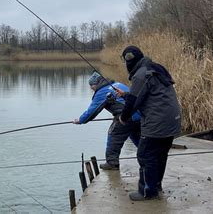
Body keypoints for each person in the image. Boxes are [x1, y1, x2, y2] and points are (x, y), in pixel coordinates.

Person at [116, 46, 181, 201]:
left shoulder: (140, 75)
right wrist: (126, 94)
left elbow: (133, 102)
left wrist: (123, 118)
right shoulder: (155, 68)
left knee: (145, 155)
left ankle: (147, 192)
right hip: (173, 120)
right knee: (159, 155)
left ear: (128, 61)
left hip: (157, 122)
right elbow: (149, 95)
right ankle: (156, 186)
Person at [73, 71, 141, 170]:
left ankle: (112, 163)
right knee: (136, 135)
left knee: (114, 135)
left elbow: (92, 112)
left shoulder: (102, 92)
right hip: (139, 116)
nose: (91, 88)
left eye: (91, 86)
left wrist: (80, 120)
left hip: (125, 117)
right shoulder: (118, 84)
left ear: (96, 84)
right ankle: (150, 154)